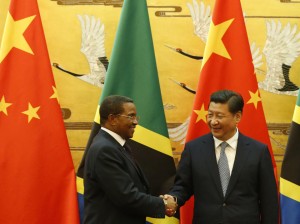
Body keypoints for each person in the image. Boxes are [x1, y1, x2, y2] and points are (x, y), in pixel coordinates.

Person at [165, 89, 279, 223]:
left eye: (219, 116)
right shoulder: (193, 149)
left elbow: (269, 201)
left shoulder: (258, 151)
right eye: (210, 115)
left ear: (237, 117)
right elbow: (182, 186)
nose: (213, 121)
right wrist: (174, 199)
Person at [83, 95, 177, 224]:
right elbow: (126, 197)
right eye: (130, 116)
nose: (135, 122)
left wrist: (159, 201)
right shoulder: (105, 149)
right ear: (113, 119)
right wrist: (163, 204)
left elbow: (132, 189)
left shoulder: (116, 145)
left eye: (135, 117)